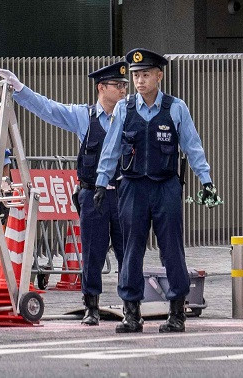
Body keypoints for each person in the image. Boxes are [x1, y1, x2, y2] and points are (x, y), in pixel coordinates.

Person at [93, 48, 221, 334]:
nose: (140, 80)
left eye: (146, 74)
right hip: (133, 186)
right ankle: (131, 314)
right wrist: (102, 183)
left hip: (166, 186)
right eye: (136, 75)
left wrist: (207, 181)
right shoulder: (124, 109)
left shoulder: (175, 108)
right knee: (130, 250)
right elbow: (111, 148)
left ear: (159, 76)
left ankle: (177, 312)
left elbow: (192, 146)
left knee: (172, 249)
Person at [0, 61, 129, 325]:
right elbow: (49, 109)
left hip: (125, 194)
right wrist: (21, 89)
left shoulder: (131, 115)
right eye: (118, 85)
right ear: (101, 88)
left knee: (128, 251)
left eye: (125, 85)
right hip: (94, 195)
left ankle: (131, 304)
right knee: (92, 252)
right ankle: (91, 306)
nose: (124, 91)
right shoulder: (85, 116)